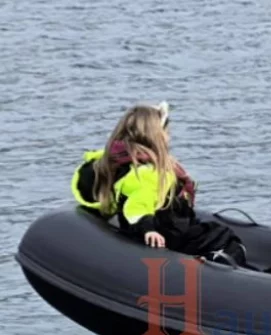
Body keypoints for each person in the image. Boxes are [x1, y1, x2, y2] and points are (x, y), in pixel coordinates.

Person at [71, 102, 246, 264]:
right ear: (156, 137)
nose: (169, 136)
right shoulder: (148, 174)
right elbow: (137, 206)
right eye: (166, 132)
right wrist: (148, 230)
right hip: (169, 234)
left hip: (154, 228)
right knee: (228, 240)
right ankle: (211, 269)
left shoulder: (116, 164)